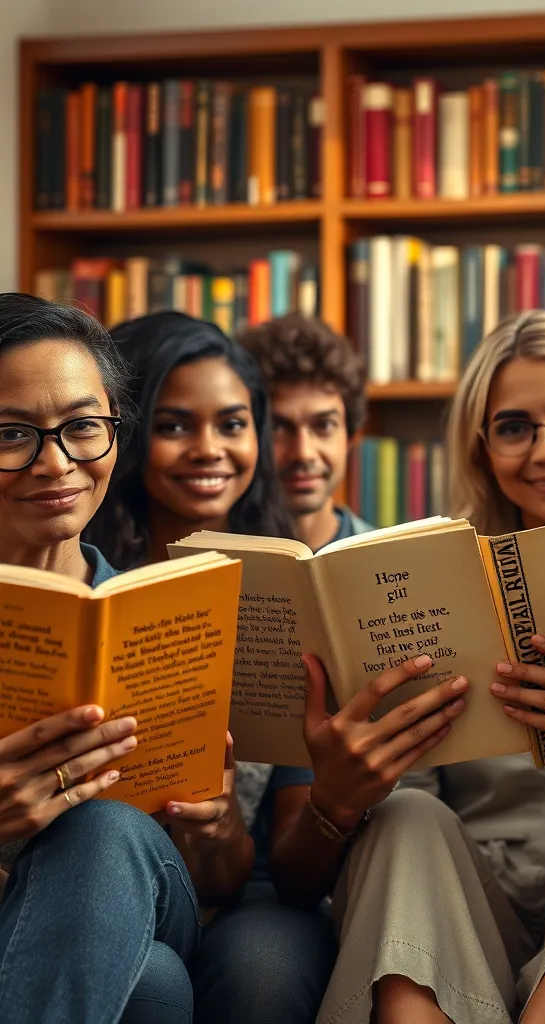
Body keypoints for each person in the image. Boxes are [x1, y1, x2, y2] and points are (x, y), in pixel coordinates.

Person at [309, 310, 545, 1024]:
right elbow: (406, 791)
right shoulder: (437, 577)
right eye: (513, 427)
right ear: (483, 447)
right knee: (405, 814)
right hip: (468, 905)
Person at [84, 312, 328, 1024]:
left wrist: (222, 824)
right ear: (125, 434)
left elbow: (285, 852)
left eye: (232, 423)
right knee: (149, 979)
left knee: (264, 970)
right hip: (96, 878)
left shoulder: (285, 585)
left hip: (244, 888)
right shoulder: (78, 576)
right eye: (174, 425)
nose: (209, 450)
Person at [0, 294, 228, 1024]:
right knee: (155, 990)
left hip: (147, 891)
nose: (57, 463)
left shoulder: (164, 618)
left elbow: (222, 878)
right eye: (12, 434)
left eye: (83, 428)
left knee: (104, 830)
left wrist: (214, 826)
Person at [237, 313, 372, 550]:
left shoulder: (394, 564)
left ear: (349, 438)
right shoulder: (215, 565)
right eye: (278, 428)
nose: (303, 453)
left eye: (324, 426)